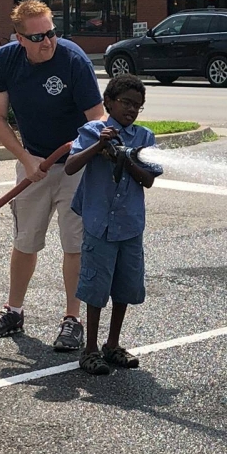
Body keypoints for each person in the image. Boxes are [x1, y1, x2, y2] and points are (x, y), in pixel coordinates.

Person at [0, 0, 104, 351]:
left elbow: (98, 118)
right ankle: (14, 311)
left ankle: (72, 320)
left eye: (51, 33)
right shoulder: (5, 61)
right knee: (25, 240)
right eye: (37, 37)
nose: (47, 42)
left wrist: (82, 146)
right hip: (33, 162)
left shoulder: (73, 59)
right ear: (20, 39)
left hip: (75, 165)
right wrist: (26, 159)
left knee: (74, 244)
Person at [65, 75, 163, 375]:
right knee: (96, 287)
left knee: (125, 285)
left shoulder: (144, 137)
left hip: (130, 225)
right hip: (100, 225)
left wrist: (125, 158)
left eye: (138, 106)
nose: (131, 110)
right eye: (126, 103)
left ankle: (112, 344)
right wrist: (99, 146)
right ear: (108, 102)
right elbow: (70, 166)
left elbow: (148, 179)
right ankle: (90, 349)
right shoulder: (93, 131)